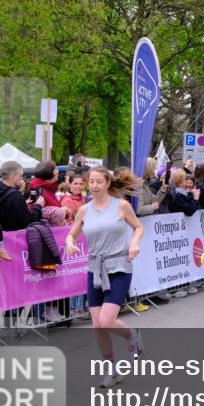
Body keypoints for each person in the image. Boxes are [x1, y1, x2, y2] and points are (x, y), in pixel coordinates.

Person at [64, 166, 145, 388]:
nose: (95, 185)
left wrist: (134, 242)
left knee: (106, 320)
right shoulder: (84, 210)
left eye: (100, 181)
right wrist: (70, 243)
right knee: (97, 325)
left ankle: (131, 337)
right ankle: (112, 370)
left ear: (108, 183)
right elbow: (72, 234)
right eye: (92, 181)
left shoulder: (121, 206)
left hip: (119, 266)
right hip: (95, 268)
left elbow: (138, 227)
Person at [0, 161, 44, 231]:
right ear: (13, 176)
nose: (22, 179)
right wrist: (38, 207)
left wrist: (23, 204)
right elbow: (28, 222)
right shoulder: (15, 196)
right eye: (20, 175)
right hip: (12, 239)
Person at [30, 160, 68, 226]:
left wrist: (64, 212)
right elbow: (39, 215)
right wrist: (61, 211)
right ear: (49, 172)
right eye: (55, 169)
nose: (58, 171)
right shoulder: (38, 190)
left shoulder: (49, 188)